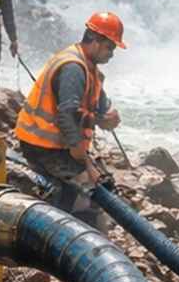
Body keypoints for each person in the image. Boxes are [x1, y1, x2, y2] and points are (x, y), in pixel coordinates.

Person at [14, 11, 125, 226]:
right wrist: (82, 159)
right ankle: (61, 231)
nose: (111, 54)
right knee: (88, 193)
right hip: (44, 145)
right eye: (110, 47)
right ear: (95, 41)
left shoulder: (89, 67)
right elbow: (67, 115)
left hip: (56, 144)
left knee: (96, 185)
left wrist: (107, 116)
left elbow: (97, 104)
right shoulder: (73, 68)